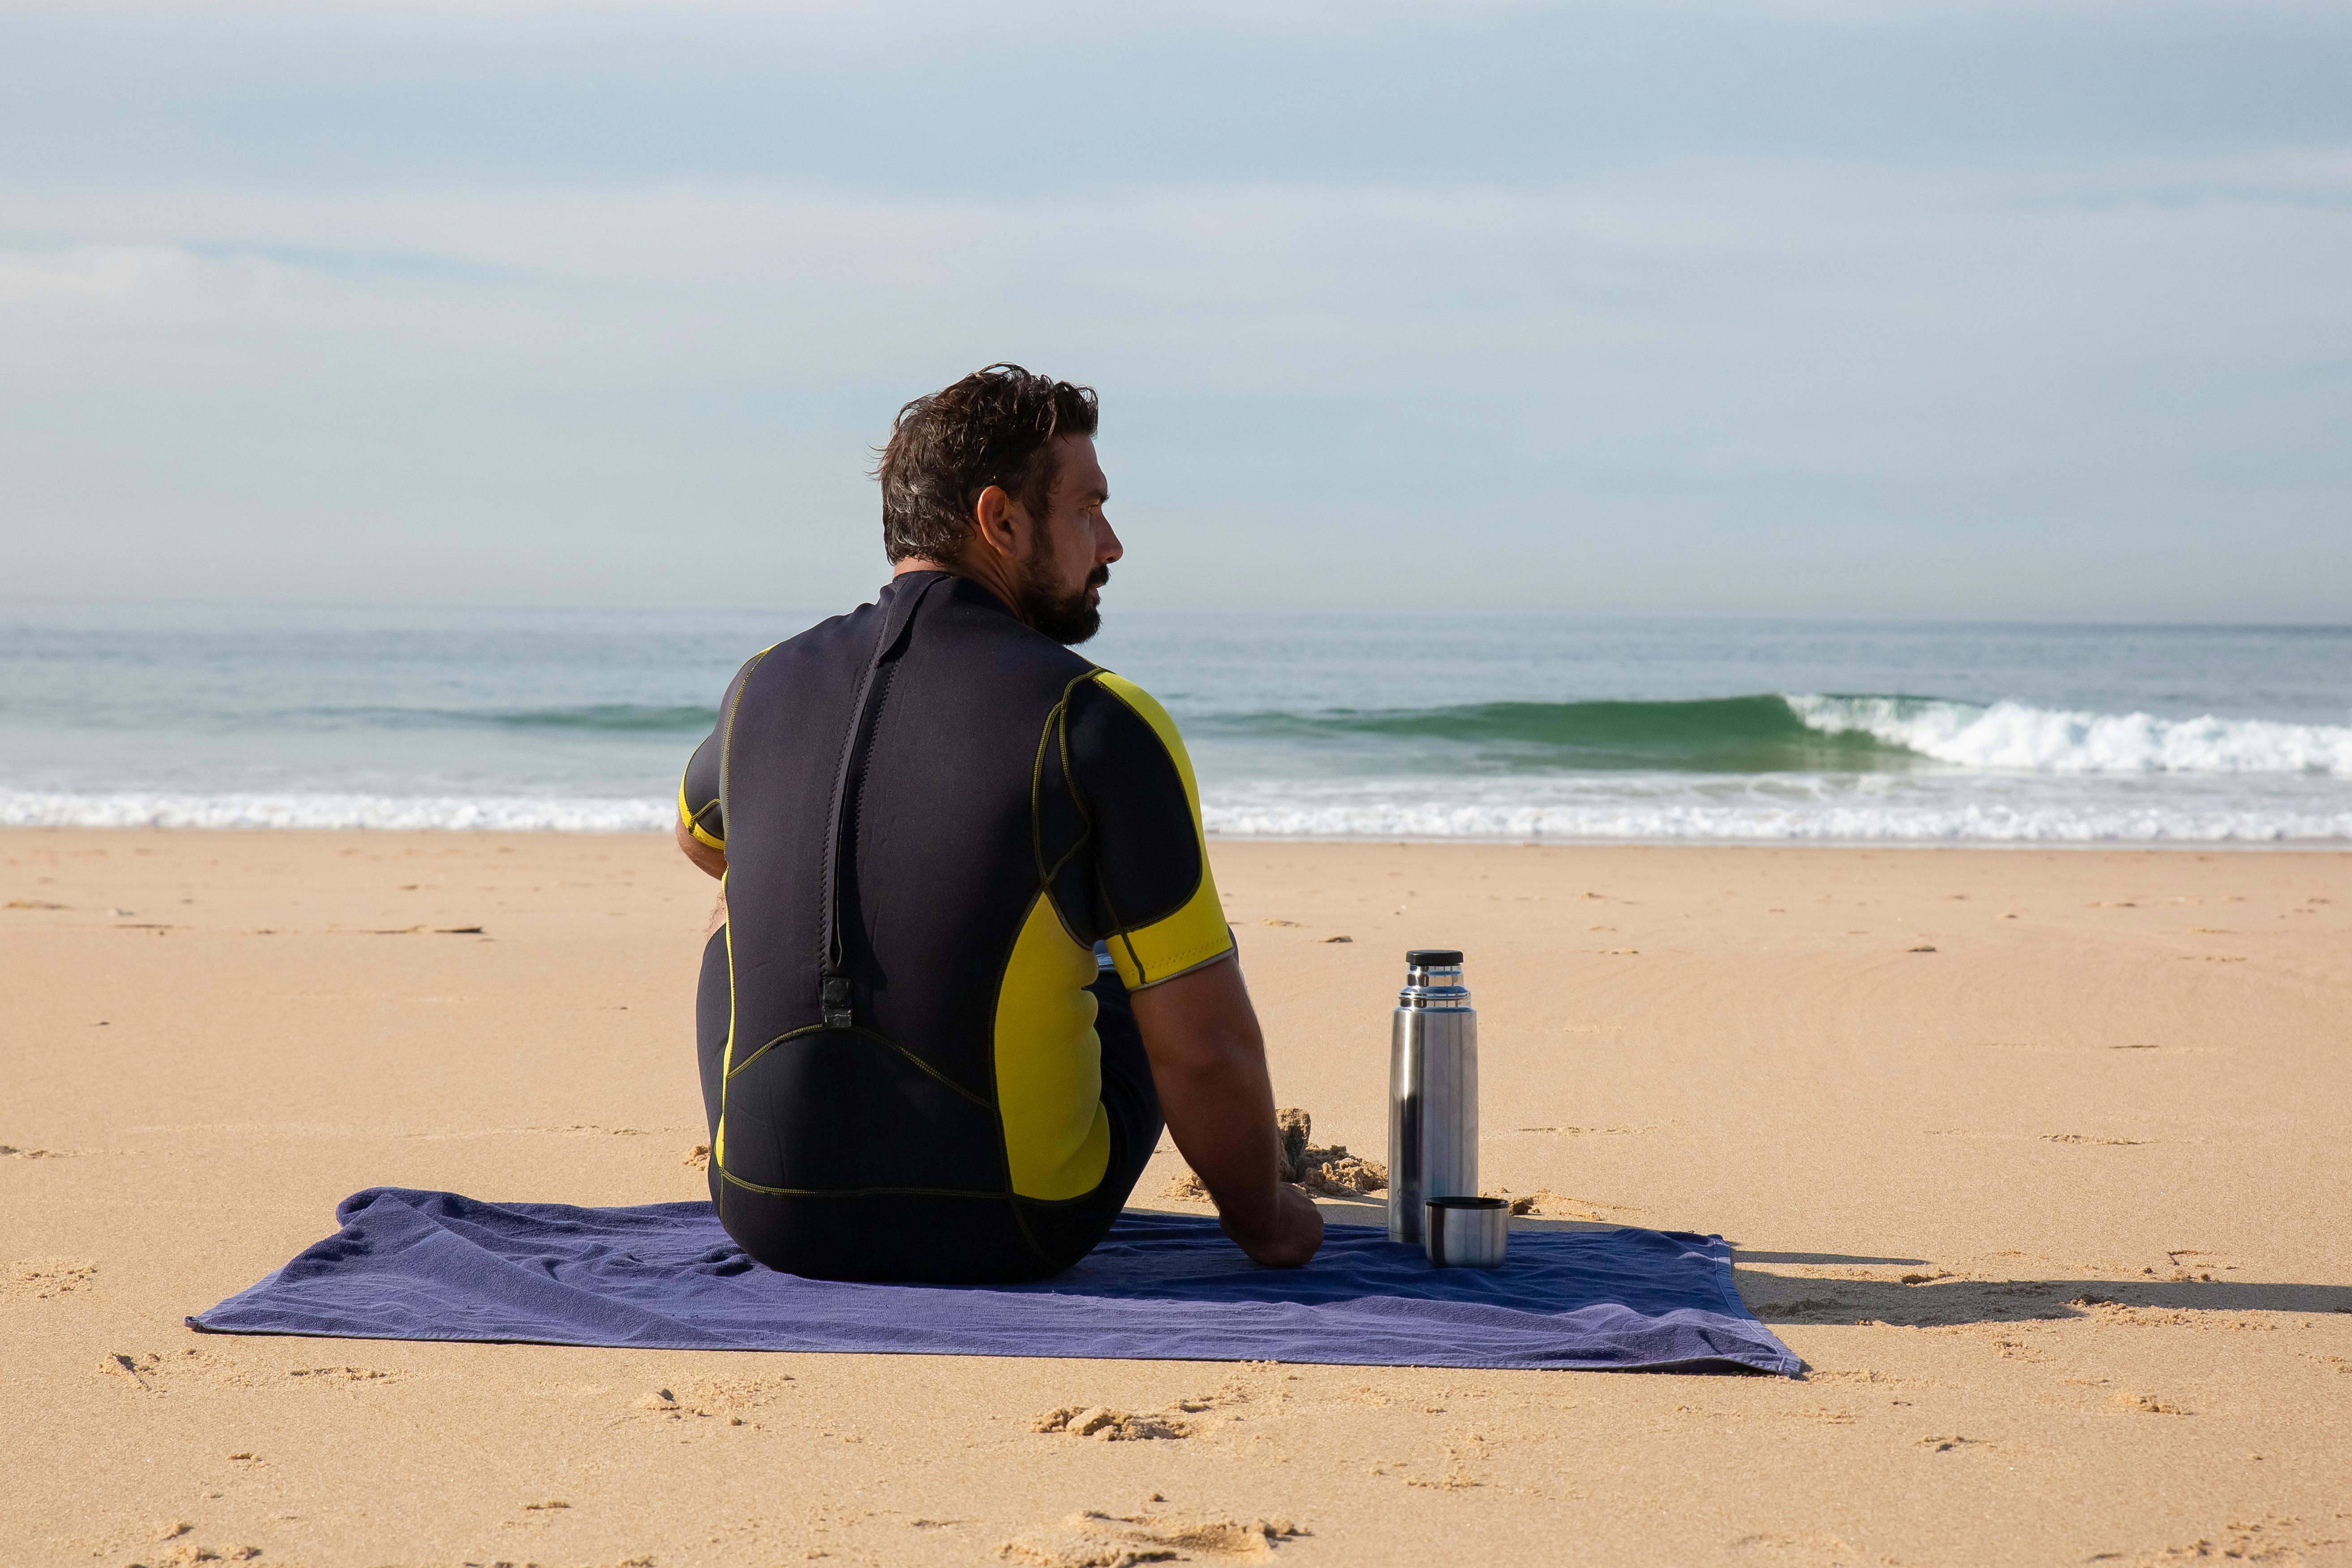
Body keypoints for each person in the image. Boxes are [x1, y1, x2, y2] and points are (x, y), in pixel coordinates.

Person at [674, 364, 1323, 1283]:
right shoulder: (1095, 717)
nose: (1112, 543)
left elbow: (701, 836)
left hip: (770, 1214)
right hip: (1012, 1227)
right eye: (1088, 508)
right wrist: (1268, 1221)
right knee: (1139, 958)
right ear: (1001, 520)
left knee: (737, 901)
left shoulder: (762, 684)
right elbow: (1206, 1047)